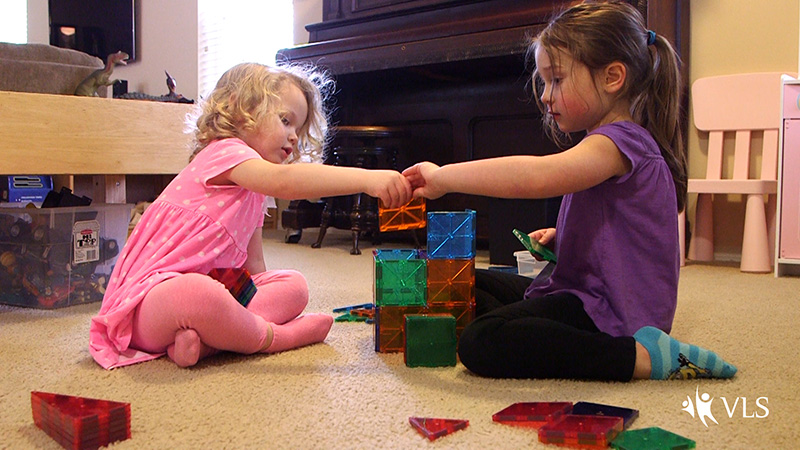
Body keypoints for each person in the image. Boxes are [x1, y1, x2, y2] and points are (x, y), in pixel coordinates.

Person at [403, 1, 737, 381]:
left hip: (613, 314)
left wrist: (445, 177)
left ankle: (643, 357)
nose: (546, 95)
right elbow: (621, 231)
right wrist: (564, 238)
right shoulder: (609, 142)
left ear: (613, 77)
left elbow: (537, 177)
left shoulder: (619, 142)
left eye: (557, 80)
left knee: (482, 341)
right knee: (461, 281)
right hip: (582, 290)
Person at [90, 62, 412, 369]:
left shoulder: (255, 192)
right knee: (197, 294)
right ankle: (270, 338)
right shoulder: (225, 151)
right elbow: (286, 182)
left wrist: (256, 298)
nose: (294, 137)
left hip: (207, 305)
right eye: (285, 121)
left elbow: (254, 268)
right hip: (148, 305)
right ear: (239, 111)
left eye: (298, 129)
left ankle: (212, 341)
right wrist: (368, 180)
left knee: (294, 285)